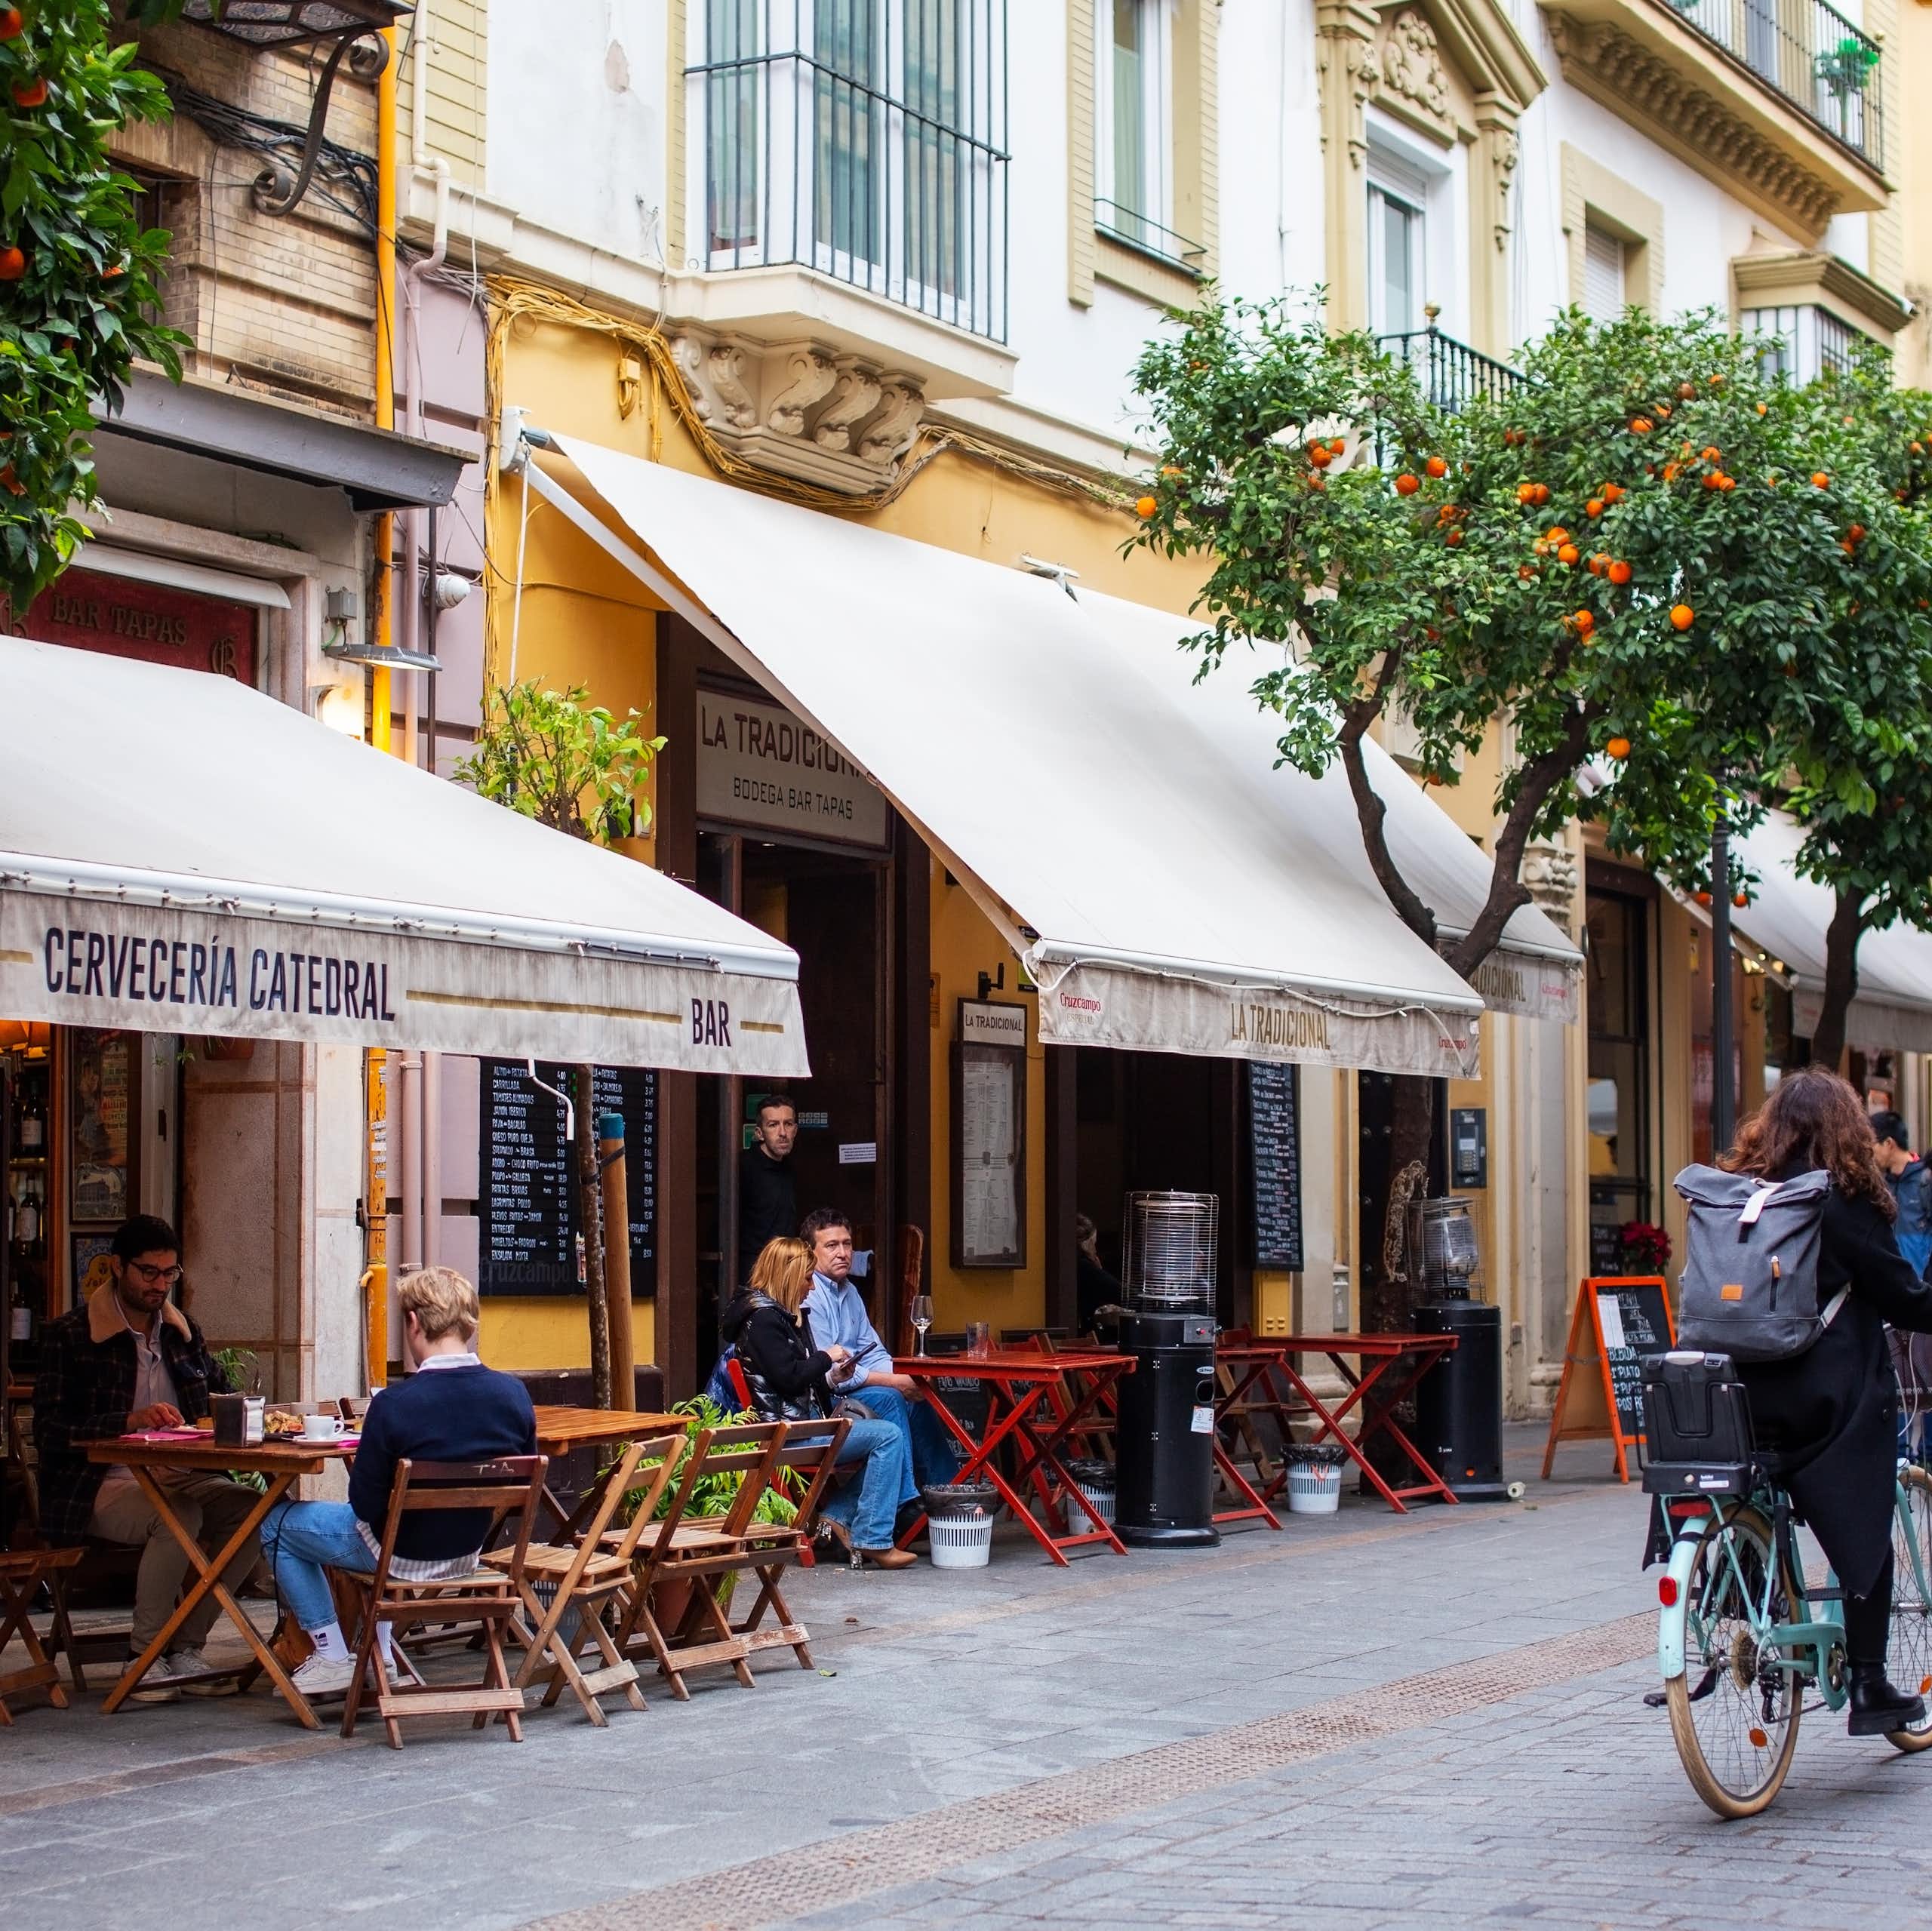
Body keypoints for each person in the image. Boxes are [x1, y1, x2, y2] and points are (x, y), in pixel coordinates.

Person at [1721, 1068, 1932, 1735]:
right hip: (1826, 1404)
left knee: (1762, 1485)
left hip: (1739, 1402)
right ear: (1848, 1128)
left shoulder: (1741, 1194)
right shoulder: (1844, 1202)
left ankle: (1746, 1598)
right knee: (1868, 1518)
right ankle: (1869, 1682)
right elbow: (1904, 1296)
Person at [258, 1265, 537, 1702]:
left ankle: (331, 1655)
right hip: (467, 1555)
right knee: (381, 1529)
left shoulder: (393, 1405)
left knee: (277, 1525)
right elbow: (519, 1496)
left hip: (399, 1559)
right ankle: (381, 1654)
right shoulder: (514, 1395)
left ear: (412, 1322)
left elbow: (365, 1506)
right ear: (468, 1322)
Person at [33, 1214, 259, 1701]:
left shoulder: (182, 1331)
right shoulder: (70, 1335)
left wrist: (257, 1415)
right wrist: (127, 1421)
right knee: (177, 1515)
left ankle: (185, 1647)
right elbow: (50, 1431)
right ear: (118, 1267)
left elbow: (220, 1398)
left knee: (253, 1511)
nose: (160, 1284)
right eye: (148, 1272)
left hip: (178, 1472)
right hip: (96, 1483)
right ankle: (143, 1657)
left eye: (170, 1274)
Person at [721, 1237, 915, 1568]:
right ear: (788, 1275)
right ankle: (873, 1539)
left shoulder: (776, 1316)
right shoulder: (765, 1321)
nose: (811, 1287)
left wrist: (832, 1377)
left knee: (883, 1435)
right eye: (807, 1278)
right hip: (790, 1434)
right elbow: (790, 1378)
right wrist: (826, 1357)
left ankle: (839, 1517)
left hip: (798, 1424)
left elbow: (793, 1377)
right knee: (888, 1436)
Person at [799, 1207, 954, 1496]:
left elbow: (872, 1353)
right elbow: (830, 1372)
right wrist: (895, 1382)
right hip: (825, 1397)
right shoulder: (809, 1294)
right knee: (891, 1396)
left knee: (917, 1397)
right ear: (811, 1253)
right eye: (831, 1246)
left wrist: (909, 1377)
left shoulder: (850, 1291)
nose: (843, 1253)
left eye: (847, 1244)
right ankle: (904, 1497)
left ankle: (948, 1490)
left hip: (850, 1390)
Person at [1869, 1110, 1932, 1278]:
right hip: (1895, 1287)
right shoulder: (1882, 1185)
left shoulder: (1925, 1180)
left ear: (1889, 1143)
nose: (1870, 1153)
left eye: (1872, 1144)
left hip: (1923, 1286)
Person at [738, 1096, 800, 1260]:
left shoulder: (790, 1168)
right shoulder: (743, 1168)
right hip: (754, 1269)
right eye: (773, 1125)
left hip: (787, 1265)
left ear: (795, 1130)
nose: (782, 1133)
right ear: (759, 1133)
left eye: (788, 1124)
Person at [1075, 1213, 1127, 1337]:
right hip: (1089, 1333)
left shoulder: (1077, 1265)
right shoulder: (1084, 1266)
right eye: (1094, 1243)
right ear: (1087, 1244)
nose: (1096, 1249)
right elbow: (1119, 1292)